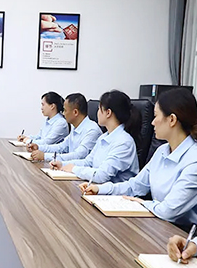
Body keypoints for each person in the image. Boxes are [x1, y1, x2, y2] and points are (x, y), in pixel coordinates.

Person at [80, 89, 197, 238]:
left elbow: (168, 210)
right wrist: (100, 189)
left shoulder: (193, 160)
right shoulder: (162, 151)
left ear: (172, 120)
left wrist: (141, 203)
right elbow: (135, 185)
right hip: (156, 224)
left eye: (156, 116)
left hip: (180, 235)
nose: (152, 122)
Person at [52, 89, 140, 183]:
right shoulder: (103, 137)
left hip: (112, 191)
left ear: (108, 113)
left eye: (99, 109)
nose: (97, 113)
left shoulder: (124, 142)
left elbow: (101, 175)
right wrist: (63, 164)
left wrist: (74, 169)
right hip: (97, 188)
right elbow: (88, 162)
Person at [27, 93, 101, 162]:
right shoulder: (75, 127)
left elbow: (78, 156)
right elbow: (62, 147)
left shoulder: (92, 131)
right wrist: (38, 147)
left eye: (65, 110)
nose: (63, 113)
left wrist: (45, 156)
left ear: (75, 112)